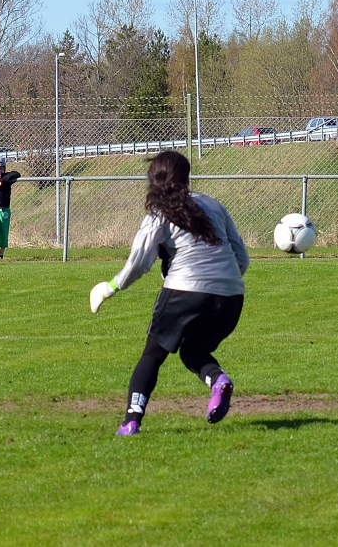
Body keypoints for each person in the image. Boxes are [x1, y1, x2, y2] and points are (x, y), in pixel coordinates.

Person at [90, 150, 249, 436]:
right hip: (231, 296)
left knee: (152, 355)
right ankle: (218, 380)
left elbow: (139, 261)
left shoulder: (159, 212)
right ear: (187, 178)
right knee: (193, 351)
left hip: (185, 289)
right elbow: (242, 258)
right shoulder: (214, 205)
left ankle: (130, 421)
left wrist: (110, 287)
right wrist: (221, 281)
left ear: (153, 181)